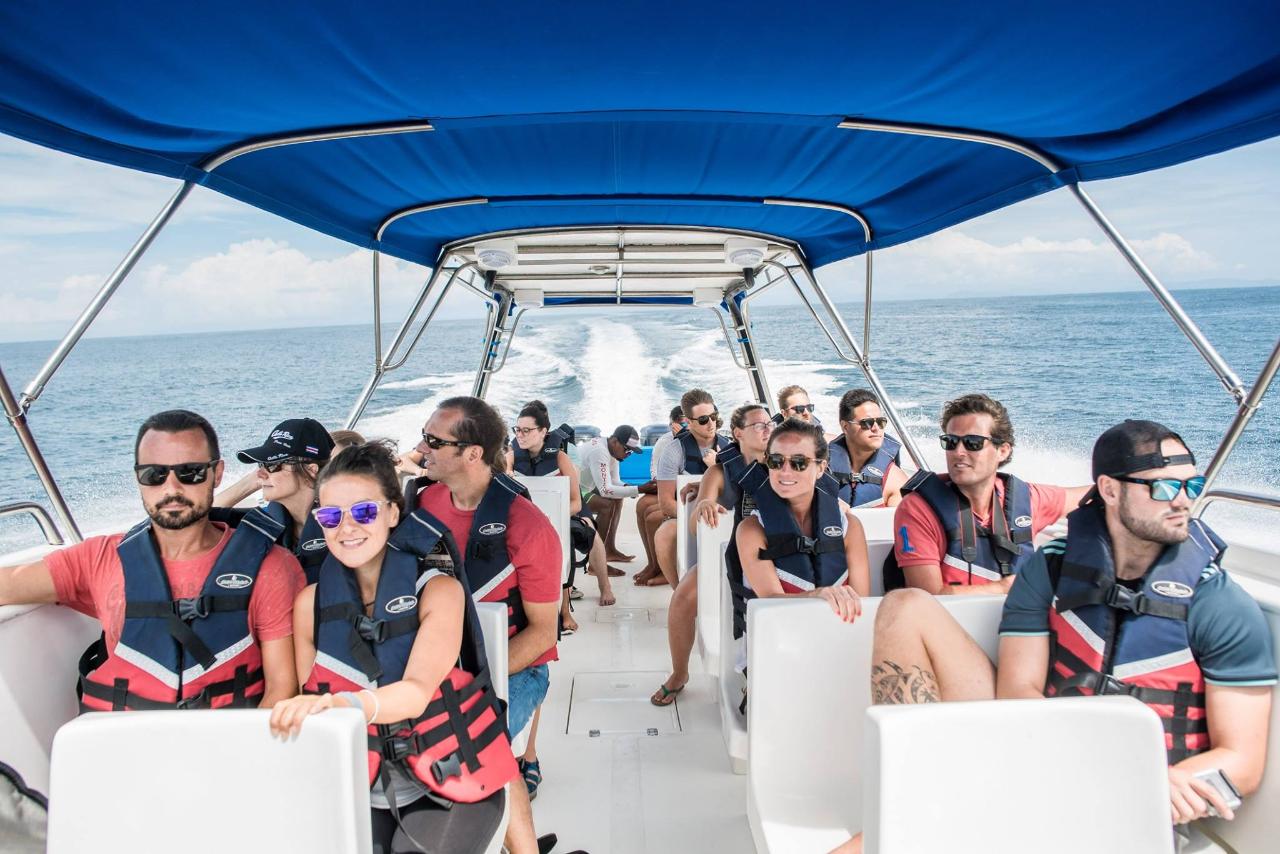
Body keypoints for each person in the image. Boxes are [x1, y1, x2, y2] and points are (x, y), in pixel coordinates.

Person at [842, 421, 1275, 850]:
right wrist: (1075, 765)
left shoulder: (1219, 604)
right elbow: (1018, 691)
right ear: (1109, 490)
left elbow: (1244, 762)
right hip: (1042, 757)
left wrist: (1154, 781)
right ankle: (918, 792)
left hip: (1135, 811)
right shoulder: (1051, 569)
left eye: (1192, 486)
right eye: (1162, 489)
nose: (1182, 501)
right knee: (904, 607)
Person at [268, 441, 519, 854]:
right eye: (331, 516)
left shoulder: (439, 591)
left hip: (452, 782)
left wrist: (343, 705)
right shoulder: (308, 606)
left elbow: (417, 691)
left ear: (392, 512)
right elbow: (306, 695)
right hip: (361, 782)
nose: (347, 528)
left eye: (364, 511)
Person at [0, 409, 303, 710]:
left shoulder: (272, 568)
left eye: (190, 472)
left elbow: (281, 689)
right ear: (138, 478)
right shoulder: (97, 558)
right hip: (120, 744)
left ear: (217, 473)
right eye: (154, 475)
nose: (171, 489)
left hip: (222, 745)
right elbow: (9, 585)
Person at [411, 396, 561, 851]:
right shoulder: (419, 503)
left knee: (470, 747)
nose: (422, 448)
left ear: (473, 454)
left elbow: (543, 633)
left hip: (515, 670)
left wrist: (473, 680)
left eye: (435, 441)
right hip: (429, 670)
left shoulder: (528, 527)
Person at [889, 393, 1090, 594]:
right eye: (950, 442)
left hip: (1018, 621)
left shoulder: (1027, 500)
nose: (958, 451)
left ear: (1003, 450)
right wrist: (1003, 588)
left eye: (972, 443)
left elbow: (1091, 495)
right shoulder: (917, 509)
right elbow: (926, 597)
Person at [651, 403, 773, 706]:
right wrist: (704, 505)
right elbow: (694, 526)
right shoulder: (721, 470)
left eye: (769, 423)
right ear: (737, 433)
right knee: (682, 599)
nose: (767, 429)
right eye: (758, 425)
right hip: (727, 556)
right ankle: (679, 673)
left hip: (773, 557)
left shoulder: (787, 466)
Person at [507, 401, 616, 628]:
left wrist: (554, 516)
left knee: (582, 536)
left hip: (563, 510)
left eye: (526, 430)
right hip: (526, 516)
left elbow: (576, 501)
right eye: (517, 430)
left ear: (543, 432)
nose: (520, 435)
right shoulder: (511, 458)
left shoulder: (560, 458)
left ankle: (587, 596)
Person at [213, 417, 337, 584]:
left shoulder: (343, 520)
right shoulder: (267, 522)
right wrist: (254, 480)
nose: (261, 473)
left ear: (311, 470)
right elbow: (206, 517)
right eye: (261, 464)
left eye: (274, 464)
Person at [644, 389, 730, 587]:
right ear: (689, 422)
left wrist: (716, 468)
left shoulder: (730, 449)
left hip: (724, 512)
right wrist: (696, 516)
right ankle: (679, 589)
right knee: (664, 535)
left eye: (714, 417)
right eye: (703, 420)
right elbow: (665, 504)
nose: (711, 424)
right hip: (684, 515)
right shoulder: (673, 452)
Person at [829, 389, 907, 507]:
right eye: (867, 423)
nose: (876, 428)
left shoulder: (895, 480)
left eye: (881, 422)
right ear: (845, 427)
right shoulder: (820, 470)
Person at [634, 406, 686, 578]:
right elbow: (656, 473)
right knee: (642, 505)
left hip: (686, 495)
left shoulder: (708, 443)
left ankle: (664, 569)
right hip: (673, 491)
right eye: (679, 423)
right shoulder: (665, 442)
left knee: (652, 516)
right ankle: (653, 564)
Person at [580, 425, 645, 562]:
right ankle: (595, 560)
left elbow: (614, 481)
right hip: (573, 490)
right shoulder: (599, 451)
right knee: (606, 506)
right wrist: (639, 489)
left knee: (617, 498)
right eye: (627, 449)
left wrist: (629, 487)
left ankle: (609, 550)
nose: (628, 454)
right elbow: (605, 490)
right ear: (615, 441)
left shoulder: (612, 450)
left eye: (631, 452)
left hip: (585, 486)